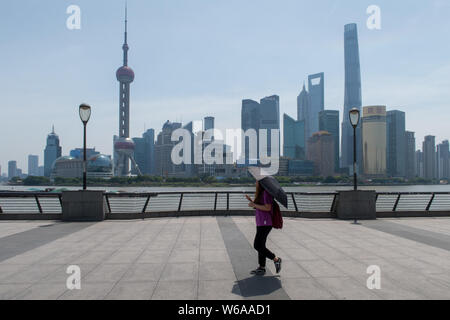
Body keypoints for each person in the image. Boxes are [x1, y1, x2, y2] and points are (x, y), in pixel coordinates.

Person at [245, 181, 282, 275]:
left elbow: (267, 208)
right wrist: (253, 202)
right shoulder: (262, 193)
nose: (255, 183)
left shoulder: (266, 193)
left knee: (257, 245)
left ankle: (276, 259)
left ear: (261, 184)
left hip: (265, 223)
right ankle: (262, 267)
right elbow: (261, 207)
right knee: (261, 246)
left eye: (257, 182)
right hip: (261, 222)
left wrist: (254, 205)